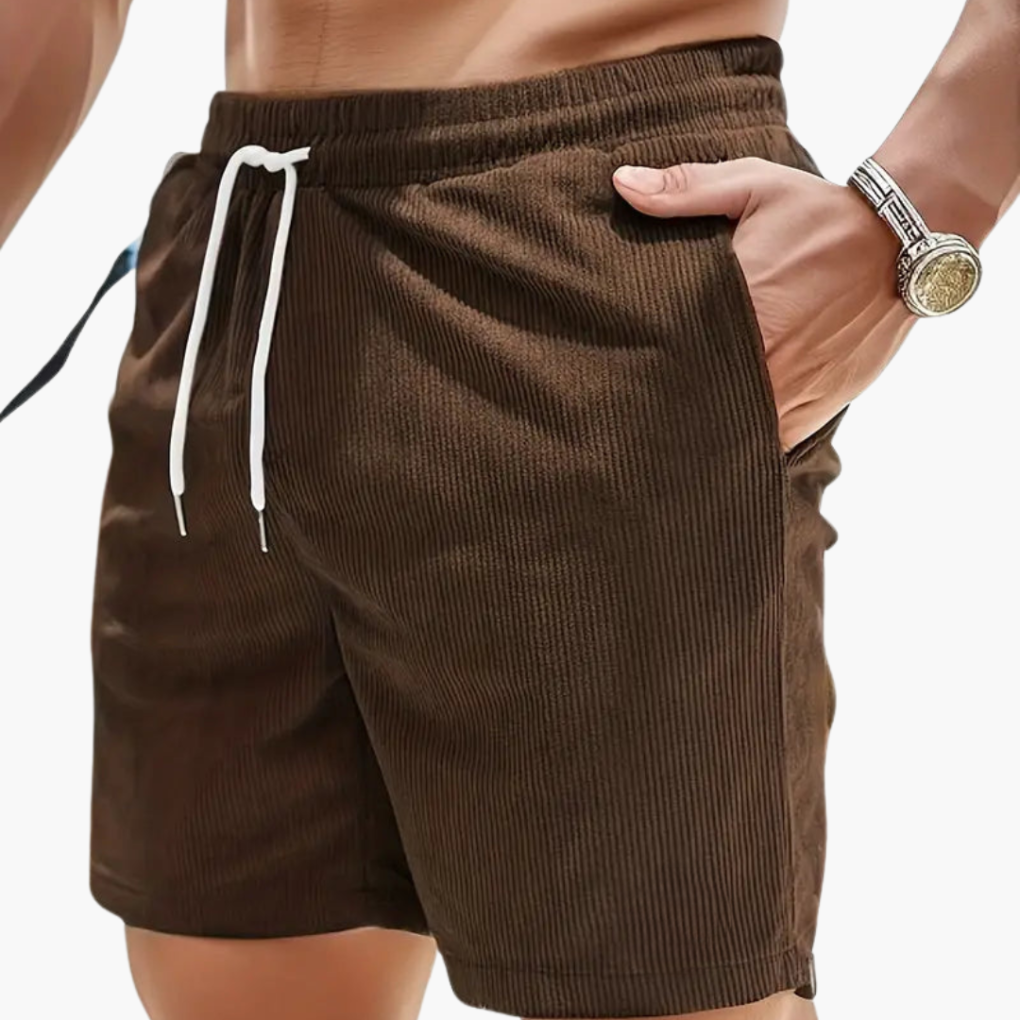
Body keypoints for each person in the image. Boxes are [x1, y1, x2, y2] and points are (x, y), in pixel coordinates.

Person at [1, 1, 1016, 1018]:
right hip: (239, 262)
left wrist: (923, 206)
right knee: (225, 978)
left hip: (590, 232)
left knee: (667, 983)